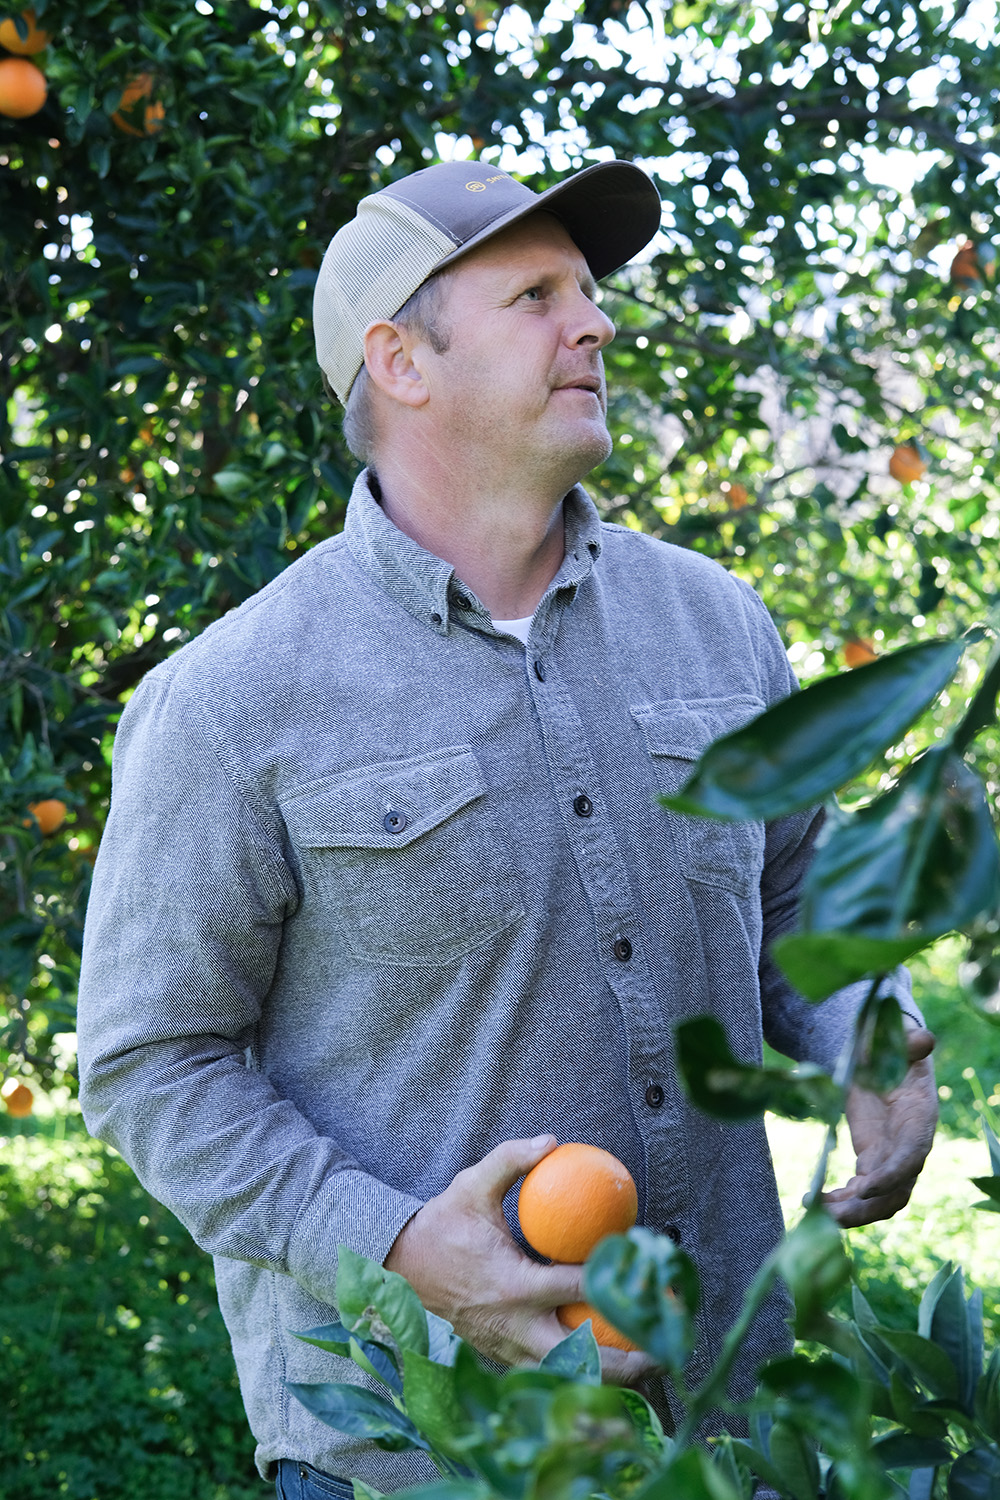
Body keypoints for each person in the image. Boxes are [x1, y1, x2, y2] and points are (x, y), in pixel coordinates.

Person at [77, 157, 938, 1499]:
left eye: (589, 294)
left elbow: (797, 889)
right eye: (535, 295)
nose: (593, 324)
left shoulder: (717, 622)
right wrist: (400, 1243)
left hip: (731, 1425)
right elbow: (150, 1063)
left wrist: (868, 1029)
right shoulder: (233, 700)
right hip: (423, 1452)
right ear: (402, 362)